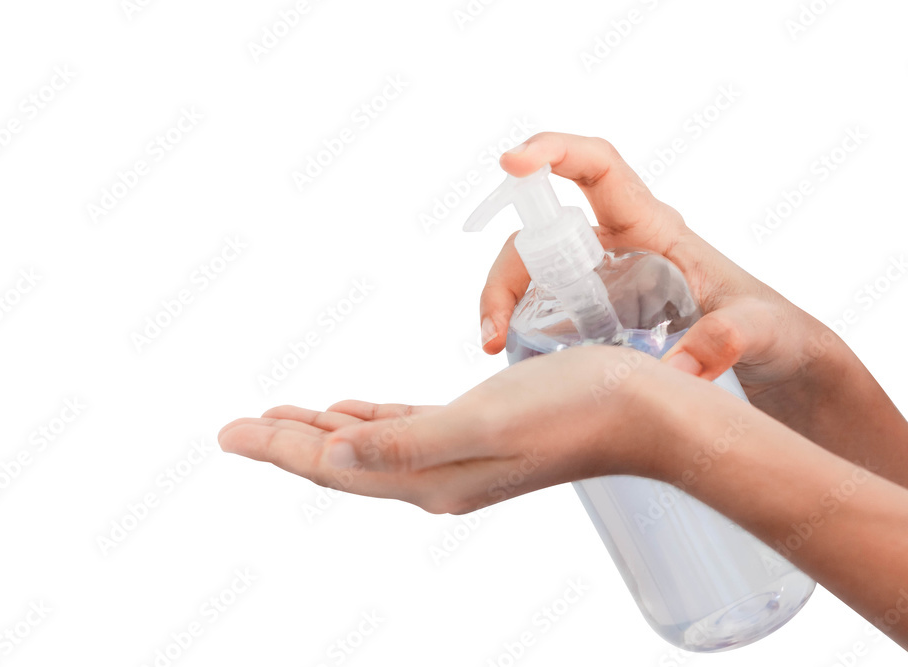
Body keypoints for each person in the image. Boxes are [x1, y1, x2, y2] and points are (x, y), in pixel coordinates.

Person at [218, 132, 908, 649]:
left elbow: (649, 407)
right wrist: (811, 379)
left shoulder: (629, 304)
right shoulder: (635, 293)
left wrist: (663, 433)